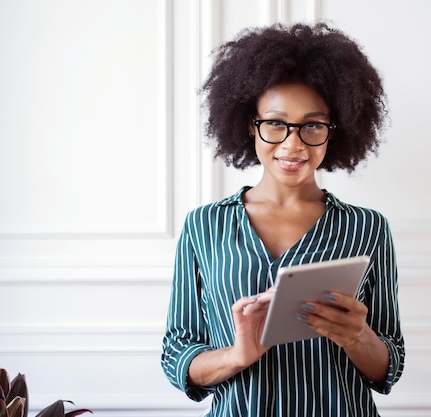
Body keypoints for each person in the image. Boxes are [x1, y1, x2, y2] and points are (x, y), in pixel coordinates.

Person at [161, 22, 405, 416]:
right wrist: (238, 355)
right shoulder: (204, 226)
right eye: (275, 123)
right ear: (249, 125)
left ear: (333, 130)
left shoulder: (367, 227)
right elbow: (178, 355)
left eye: (312, 125)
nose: (293, 144)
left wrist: (358, 337)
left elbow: (389, 365)